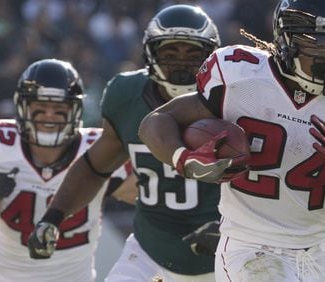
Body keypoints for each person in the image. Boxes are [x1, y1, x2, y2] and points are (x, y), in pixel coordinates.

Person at [139, 0, 325, 281]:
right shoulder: (239, 77)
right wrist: (184, 159)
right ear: (287, 39)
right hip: (248, 247)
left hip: (315, 256)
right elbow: (156, 121)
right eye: (316, 42)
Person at [27, 5, 222, 281]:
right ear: (150, 54)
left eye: (193, 53)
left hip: (223, 253)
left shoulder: (233, 99)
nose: (181, 62)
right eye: (170, 52)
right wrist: (54, 216)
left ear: (209, 56)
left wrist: (232, 228)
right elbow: (96, 166)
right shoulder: (126, 95)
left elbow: (270, 181)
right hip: (150, 248)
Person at [0, 58, 135, 282]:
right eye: (40, 107)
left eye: (58, 108)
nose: (49, 115)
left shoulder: (96, 151)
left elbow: (152, 199)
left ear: (75, 111)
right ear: (23, 107)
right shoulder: (0, 147)